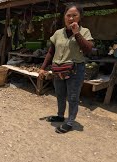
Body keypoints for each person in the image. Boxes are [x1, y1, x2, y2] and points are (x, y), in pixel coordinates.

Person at [38, 3, 94, 133]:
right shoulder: (58, 33)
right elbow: (51, 51)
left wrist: (76, 33)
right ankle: (60, 115)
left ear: (80, 17)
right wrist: (43, 68)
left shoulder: (84, 31)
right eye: (68, 15)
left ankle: (69, 122)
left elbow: (88, 49)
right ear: (64, 17)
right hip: (58, 69)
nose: (71, 18)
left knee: (73, 97)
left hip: (75, 70)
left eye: (75, 15)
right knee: (60, 94)